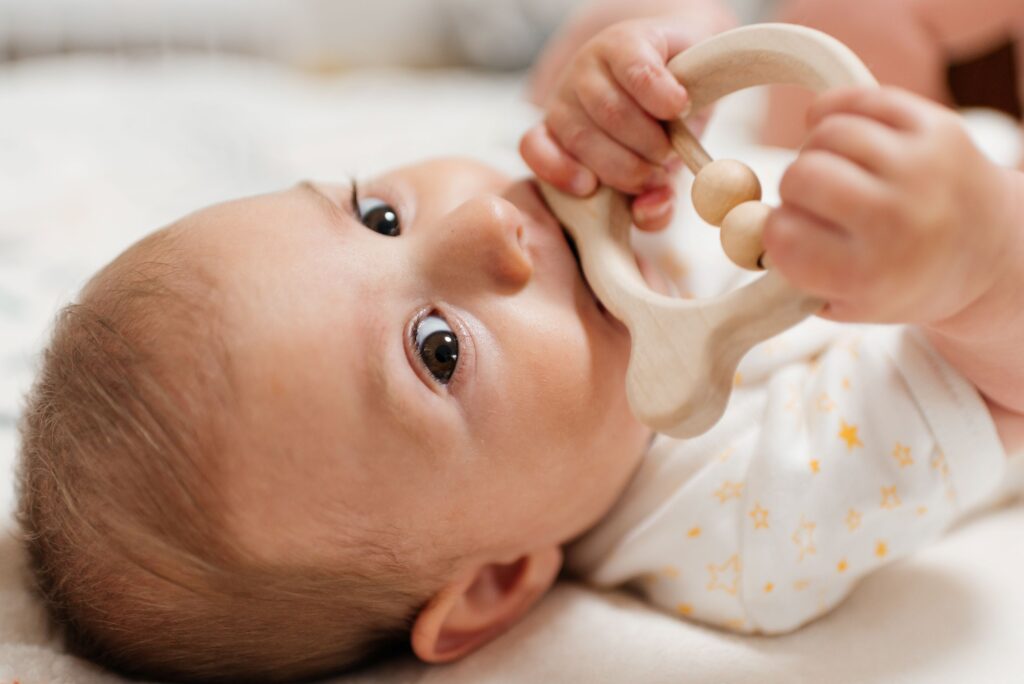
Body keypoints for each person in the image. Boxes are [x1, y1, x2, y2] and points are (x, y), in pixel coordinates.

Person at [15, 1, 1024, 683]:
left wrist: (643, 61)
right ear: (496, 583)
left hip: (881, 125)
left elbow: (623, 56)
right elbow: (1003, 389)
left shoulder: (565, 239)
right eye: (438, 351)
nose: (482, 226)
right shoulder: (741, 528)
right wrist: (974, 265)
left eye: (378, 218)